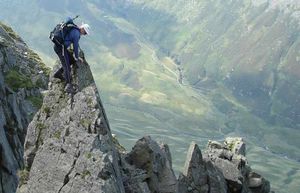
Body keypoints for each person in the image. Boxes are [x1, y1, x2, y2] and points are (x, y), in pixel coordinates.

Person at [53, 21, 90, 93]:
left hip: (61, 47)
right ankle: (68, 86)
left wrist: (75, 58)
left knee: (71, 60)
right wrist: (77, 57)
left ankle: (58, 74)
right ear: (82, 29)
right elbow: (75, 46)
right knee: (67, 67)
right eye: (85, 32)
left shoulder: (75, 29)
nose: (84, 34)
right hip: (60, 49)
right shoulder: (76, 34)